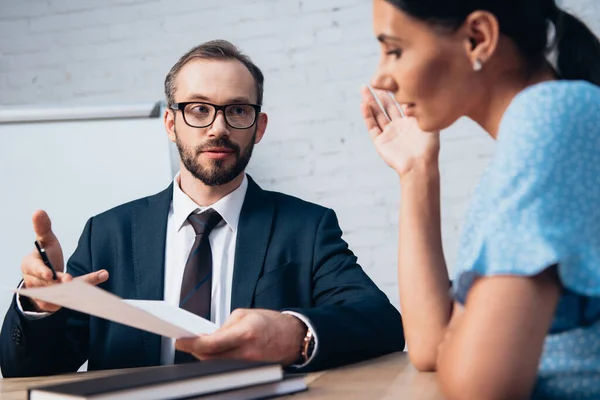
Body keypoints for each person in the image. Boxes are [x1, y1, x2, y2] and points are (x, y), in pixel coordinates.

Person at [0, 39, 404, 378]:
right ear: (171, 124)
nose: (218, 128)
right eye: (198, 109)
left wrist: (295, 333)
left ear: (259, 127)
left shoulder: (307, 228)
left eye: (238, 110)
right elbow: (27, 371)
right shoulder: (108, 233)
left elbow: (382, 323)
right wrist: (39, 307)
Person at [361, 0, 600, 399]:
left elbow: (479, 386)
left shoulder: (552, 116)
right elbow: (428, 348)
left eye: (395, 50)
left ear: (478, 38)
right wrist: (417, 170)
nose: (380, 77)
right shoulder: (519, 152)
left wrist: (461, 331)